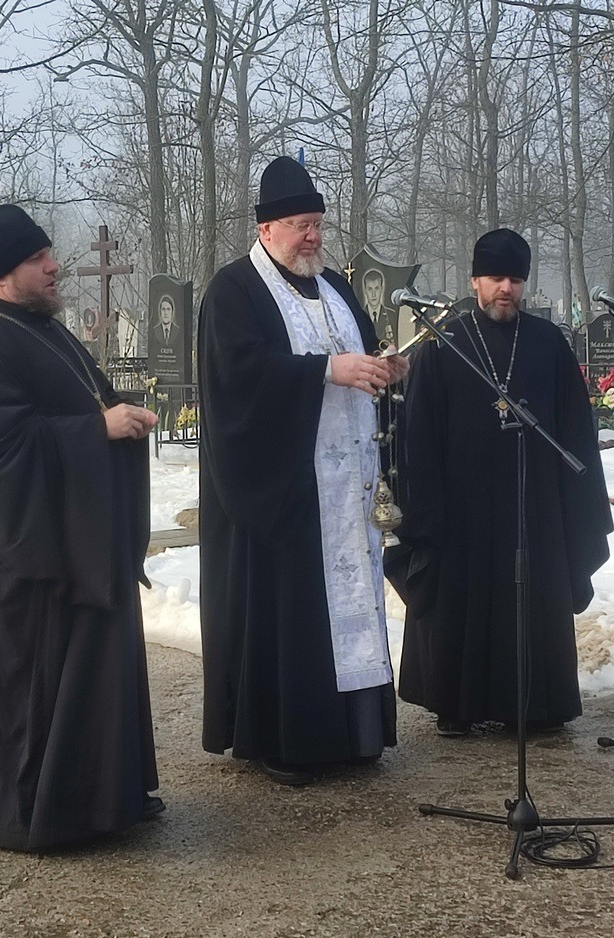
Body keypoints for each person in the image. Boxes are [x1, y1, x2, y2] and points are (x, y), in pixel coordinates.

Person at [0, 204, 162, 851]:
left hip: (78, 536)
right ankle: (35, 810)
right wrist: (96, 430)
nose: (54, 265)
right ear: (4, 273)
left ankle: (101, 799)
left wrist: (122, 414)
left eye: (49, 253)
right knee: (34, 685)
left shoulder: (45, 330)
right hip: (29, 558)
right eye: (38, 258)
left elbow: (84, 400)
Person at [198, 156, 408, 786]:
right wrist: (323, 371)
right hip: (282, 486)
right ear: (266, 229)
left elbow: (357, 354)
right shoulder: (234, 290)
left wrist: (383, 367)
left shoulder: (336, 287)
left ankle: (356, 734)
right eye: (300, 226)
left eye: (318, 224)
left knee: (351, 605)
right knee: (292, 614)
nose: (313, 237)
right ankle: (286, 741)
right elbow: (236, 379)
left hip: (347, 486)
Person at [389, 228, 611, 736]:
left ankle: (534, 704)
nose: (505, 288)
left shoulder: (548, 343)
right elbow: (418, 434)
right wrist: (425, 508)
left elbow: (575, 429)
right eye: (495, 278)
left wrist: (575, 506)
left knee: (532, 600)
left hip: (535, 505)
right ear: (475, 281)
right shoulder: (444, 343)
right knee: (460, 597)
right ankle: (455, 705)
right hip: (461, 508)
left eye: (515, 279)